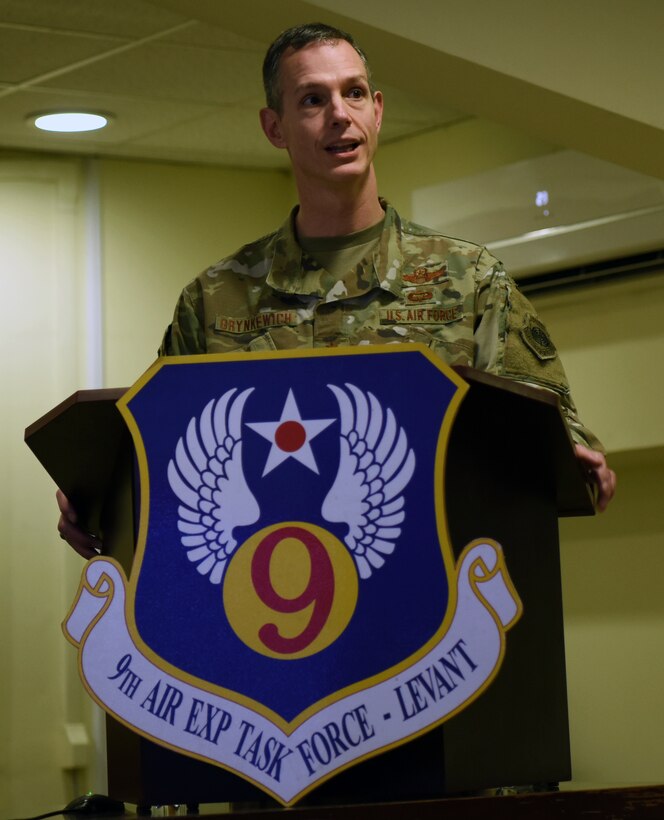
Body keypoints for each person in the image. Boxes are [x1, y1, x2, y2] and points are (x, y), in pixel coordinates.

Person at [57, 22, 615, 557]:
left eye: (353, 94)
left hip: (430, 583)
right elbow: (163, 448)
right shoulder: (215, 298)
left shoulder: (468, 280)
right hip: (260, 590)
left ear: (377, 110)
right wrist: (101, 494)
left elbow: (555, 442)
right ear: (274, 127)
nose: (339, 116)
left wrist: (575, 458)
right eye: (312, 100)